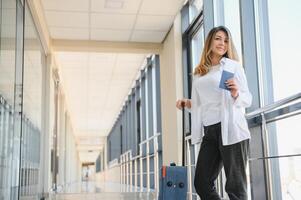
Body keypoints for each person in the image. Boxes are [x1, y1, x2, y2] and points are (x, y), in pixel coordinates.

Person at [176, 26, 252, 200]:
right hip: (210, 131)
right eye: (218, 38)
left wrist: (236, 93)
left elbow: (248, 98)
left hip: (232, 129)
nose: (222, 43)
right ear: (210, 40)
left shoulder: (232, 67)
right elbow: (202, 103)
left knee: (235, 187)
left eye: (226, 40)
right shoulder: (199, 72)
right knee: (201, 183)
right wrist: (188, 103)